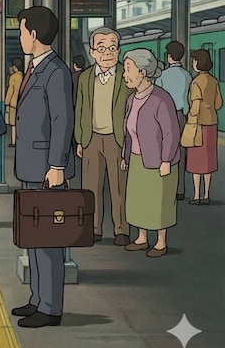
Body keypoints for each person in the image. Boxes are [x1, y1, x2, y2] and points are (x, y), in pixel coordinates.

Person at [11, 6, 73, 328]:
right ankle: (37, 298)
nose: (20, 37)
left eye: (21, 31)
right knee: (35, 235)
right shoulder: (37, 68)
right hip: (33, 165)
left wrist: (56, 164)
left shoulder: (55, 71)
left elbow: (63, 120)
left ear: (33, 34)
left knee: (48, 240)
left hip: (47, 168)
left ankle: (50, 308)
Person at [74, 27, 130, 246]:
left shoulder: (126, 76)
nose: (108, 53)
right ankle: (94, 228)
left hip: (118, 139)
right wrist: (80, 139)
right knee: (91, 188)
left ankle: (121, 229)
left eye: (112, 48)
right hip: (91, 139)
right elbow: (80, 109)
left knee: (119, 188)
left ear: (119, 50)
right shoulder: (85, 77)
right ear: (92, 52)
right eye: (101, 48)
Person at [121, 48, 180, 258]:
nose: (125, 75)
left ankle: (161, 241)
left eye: (128, 70)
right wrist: (125, 156)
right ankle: (142, 237)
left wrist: (166, 160)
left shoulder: (161, 99)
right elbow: (128, 131)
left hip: (159, 161)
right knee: (138, 199)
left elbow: (171, 132)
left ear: (143, 72)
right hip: (138, 159)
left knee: (159, 200)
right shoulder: (131, 99)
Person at [155, 41, 192, 201]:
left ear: (169, 56)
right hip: (182, 115)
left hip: (165, 116)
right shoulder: (187, 75)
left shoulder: (163, 76)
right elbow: (188, 98)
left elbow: (157, 96)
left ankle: (166, 187)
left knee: (165, 150)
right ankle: (180, 189)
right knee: (181, 152)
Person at [185, 49, 221, 204]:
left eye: (194, 60)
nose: (193, 63)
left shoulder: (196, 82)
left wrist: (190, 115)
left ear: (198, 63)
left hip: (198, 124)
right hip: (212, 123)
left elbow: (195, 106)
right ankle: (206, 194)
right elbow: (218, 103)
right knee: (208, 160)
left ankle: (196, 195)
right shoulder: (213, 81)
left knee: (196, 161)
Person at [5, 58, 23, 147]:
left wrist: (7, 101)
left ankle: (13, 142)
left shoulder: (13, 77)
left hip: (13, 102)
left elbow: (10, 90)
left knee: (13, 124)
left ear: (15, 67)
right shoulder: (23, 76)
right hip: (21, 102)